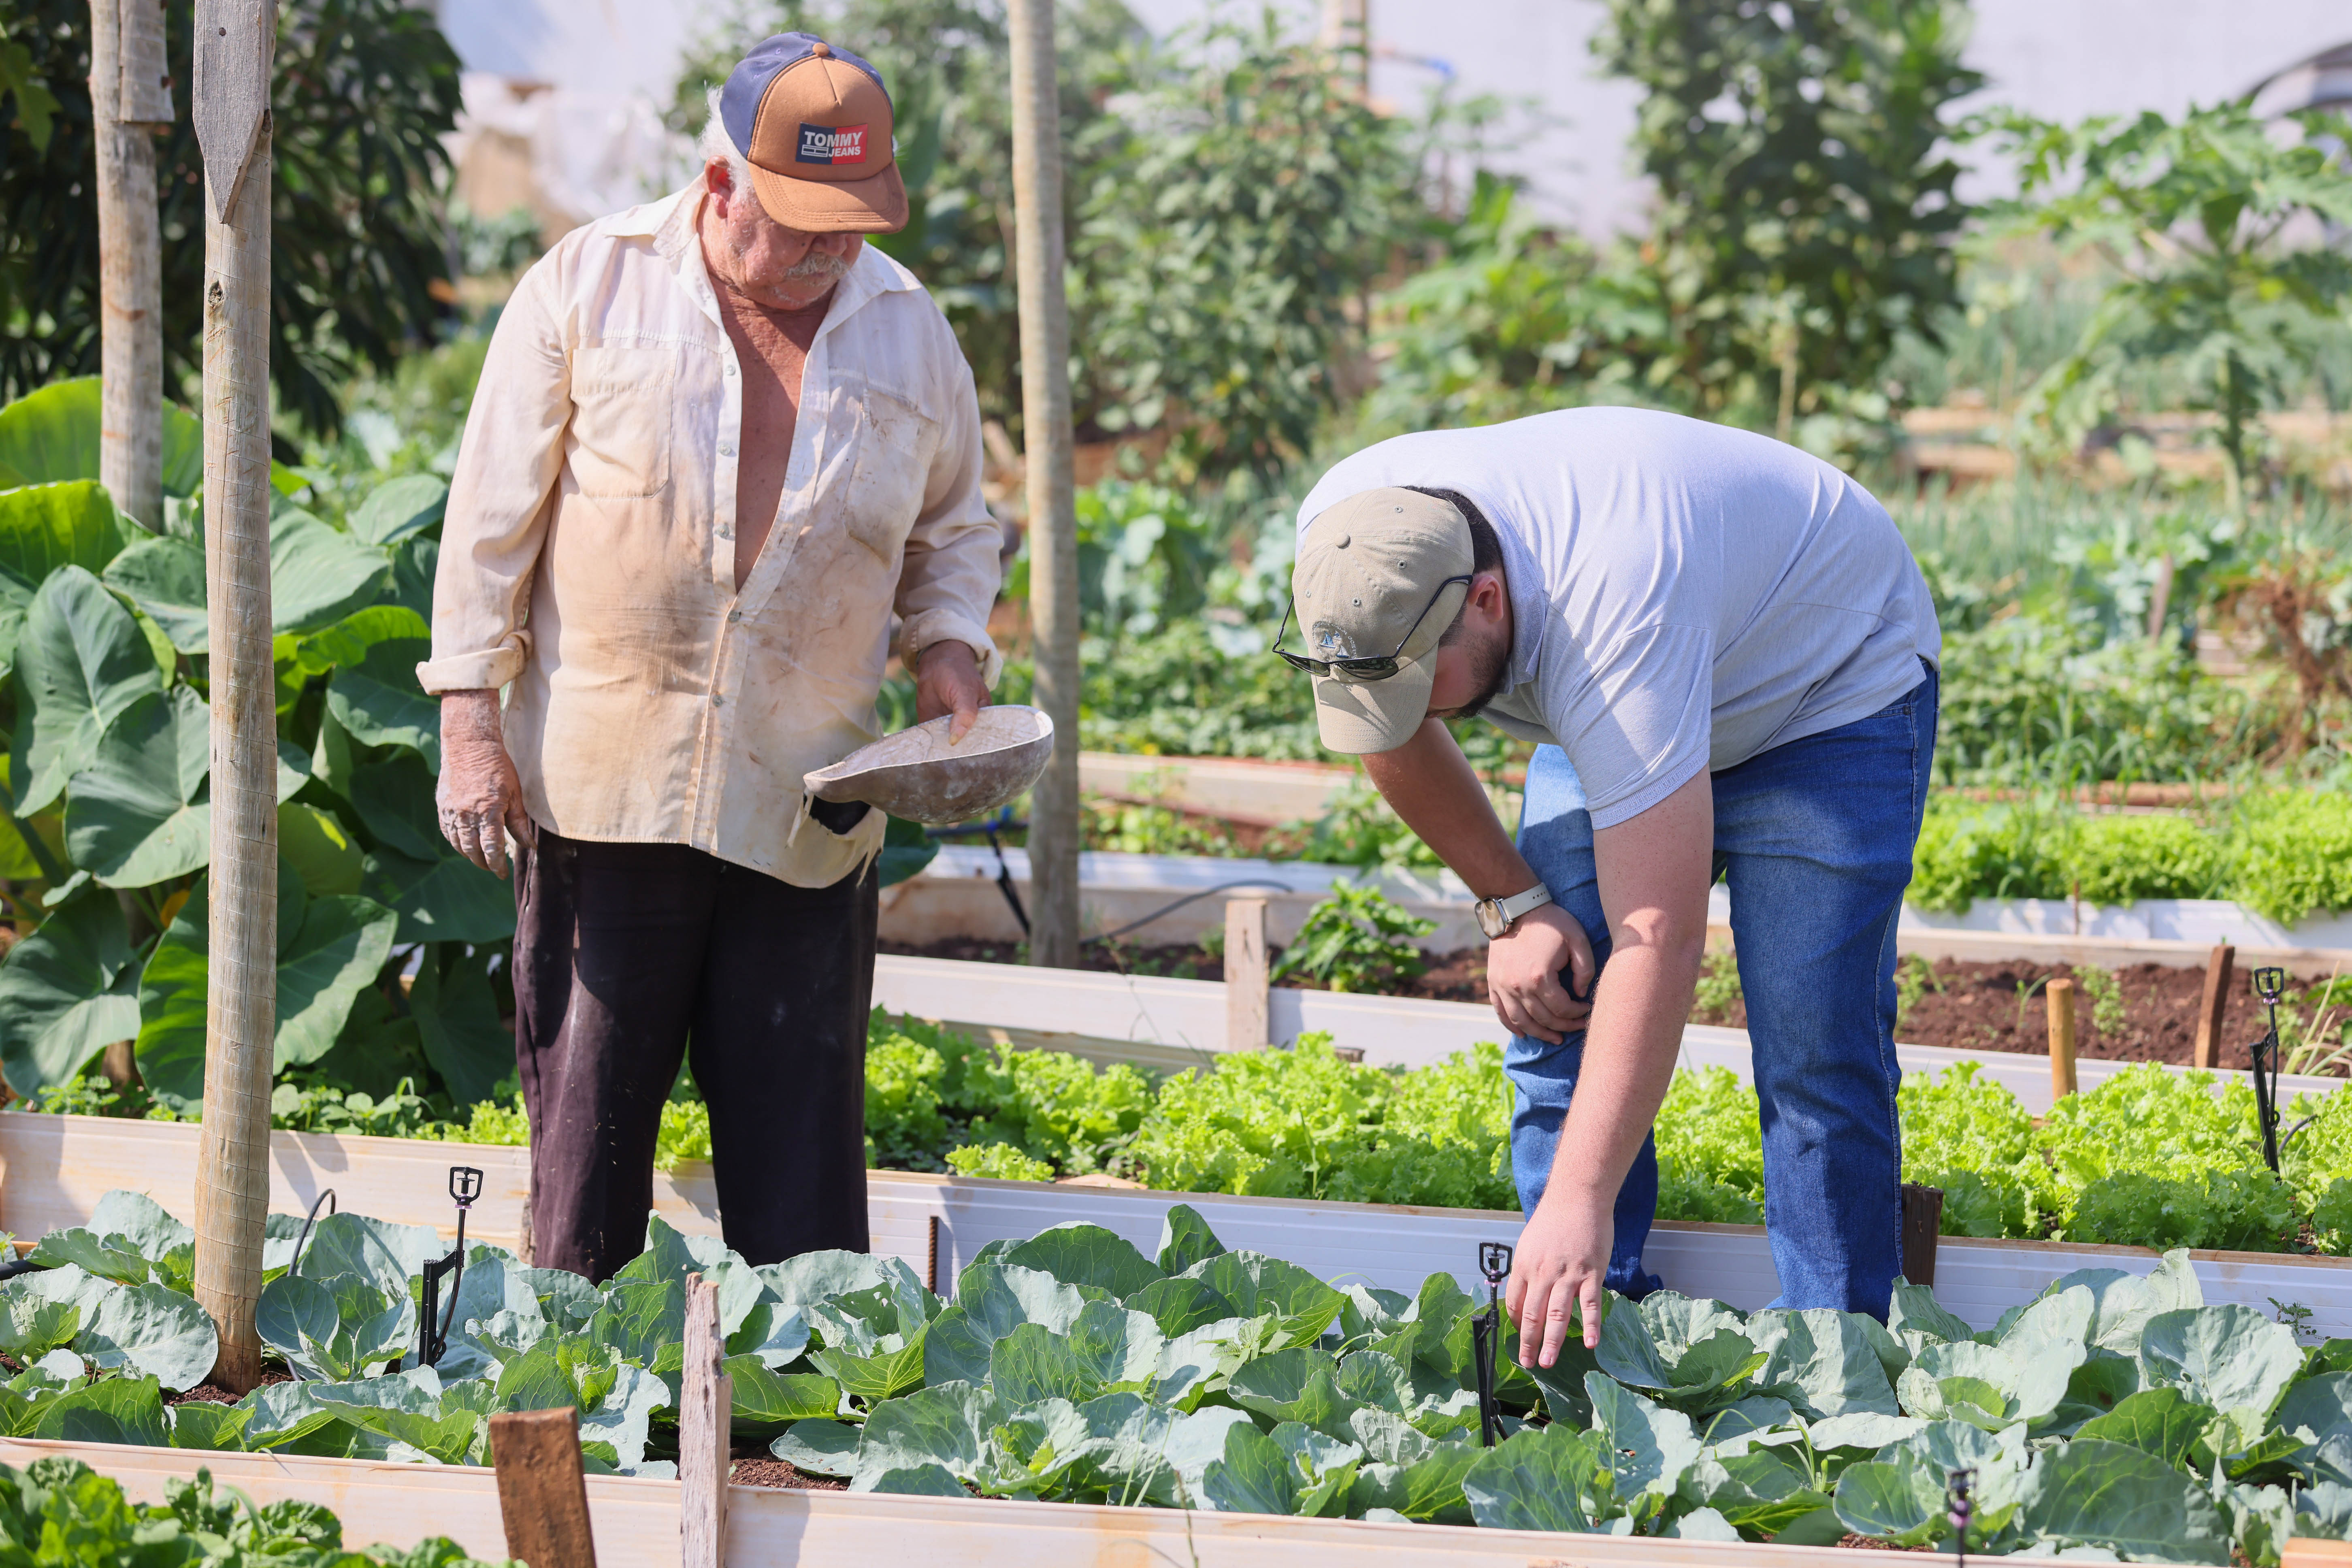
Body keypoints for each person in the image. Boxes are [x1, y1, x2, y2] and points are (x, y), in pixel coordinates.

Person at [419, 33, 1001, 1282]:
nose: (832, 249)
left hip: (806, 802)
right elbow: (486, 527)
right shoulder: (588, 286)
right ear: (720, 180)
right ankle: (579, 1407)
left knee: (801, 1176)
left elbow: (958, 524)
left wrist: (950, 648)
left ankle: (799, 1432)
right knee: (585, 1162)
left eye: (853, 222)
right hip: (608, 790)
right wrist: (471, 726)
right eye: (802, 222)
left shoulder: (910, 333)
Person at [1278, 407, 1941, 1366]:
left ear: (1489, 602)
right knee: (1555, 1004)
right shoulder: (1352, 550)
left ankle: (1840, 1370)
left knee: (1813, 1049)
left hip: (1825, 691)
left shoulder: (1613, 609)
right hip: (1636, 677)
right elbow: (1383, 731)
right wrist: (1513, 903)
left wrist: (1577, 1199)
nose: (1406, 708)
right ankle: (1593, 1353)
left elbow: (1657, 936)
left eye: (1422, 683)